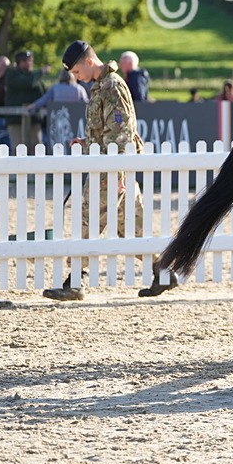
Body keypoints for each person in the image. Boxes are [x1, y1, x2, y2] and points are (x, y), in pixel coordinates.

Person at [43, 40, 175, 302]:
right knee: (132, 227)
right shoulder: (101, 86)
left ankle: (74, 282)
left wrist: (118, 173)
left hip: (110, 170)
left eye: (77, 71)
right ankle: (163, 272)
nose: (76, 77)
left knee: (88, 221)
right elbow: (107, 132)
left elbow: (121, 134)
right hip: (111, 166)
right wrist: (87, 142)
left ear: (89, 62)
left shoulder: (112, 86)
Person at [3, 50, 50, 148]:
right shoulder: (12, 74)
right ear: (20, 62)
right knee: (18, 148)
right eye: (26, 60)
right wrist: (41, 72)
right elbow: (28, 82)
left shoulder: (34, 76)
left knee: (37, 147)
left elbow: (42, 94)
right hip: (16, 119)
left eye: (30, 60)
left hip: (34, 118)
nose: (30, 63)